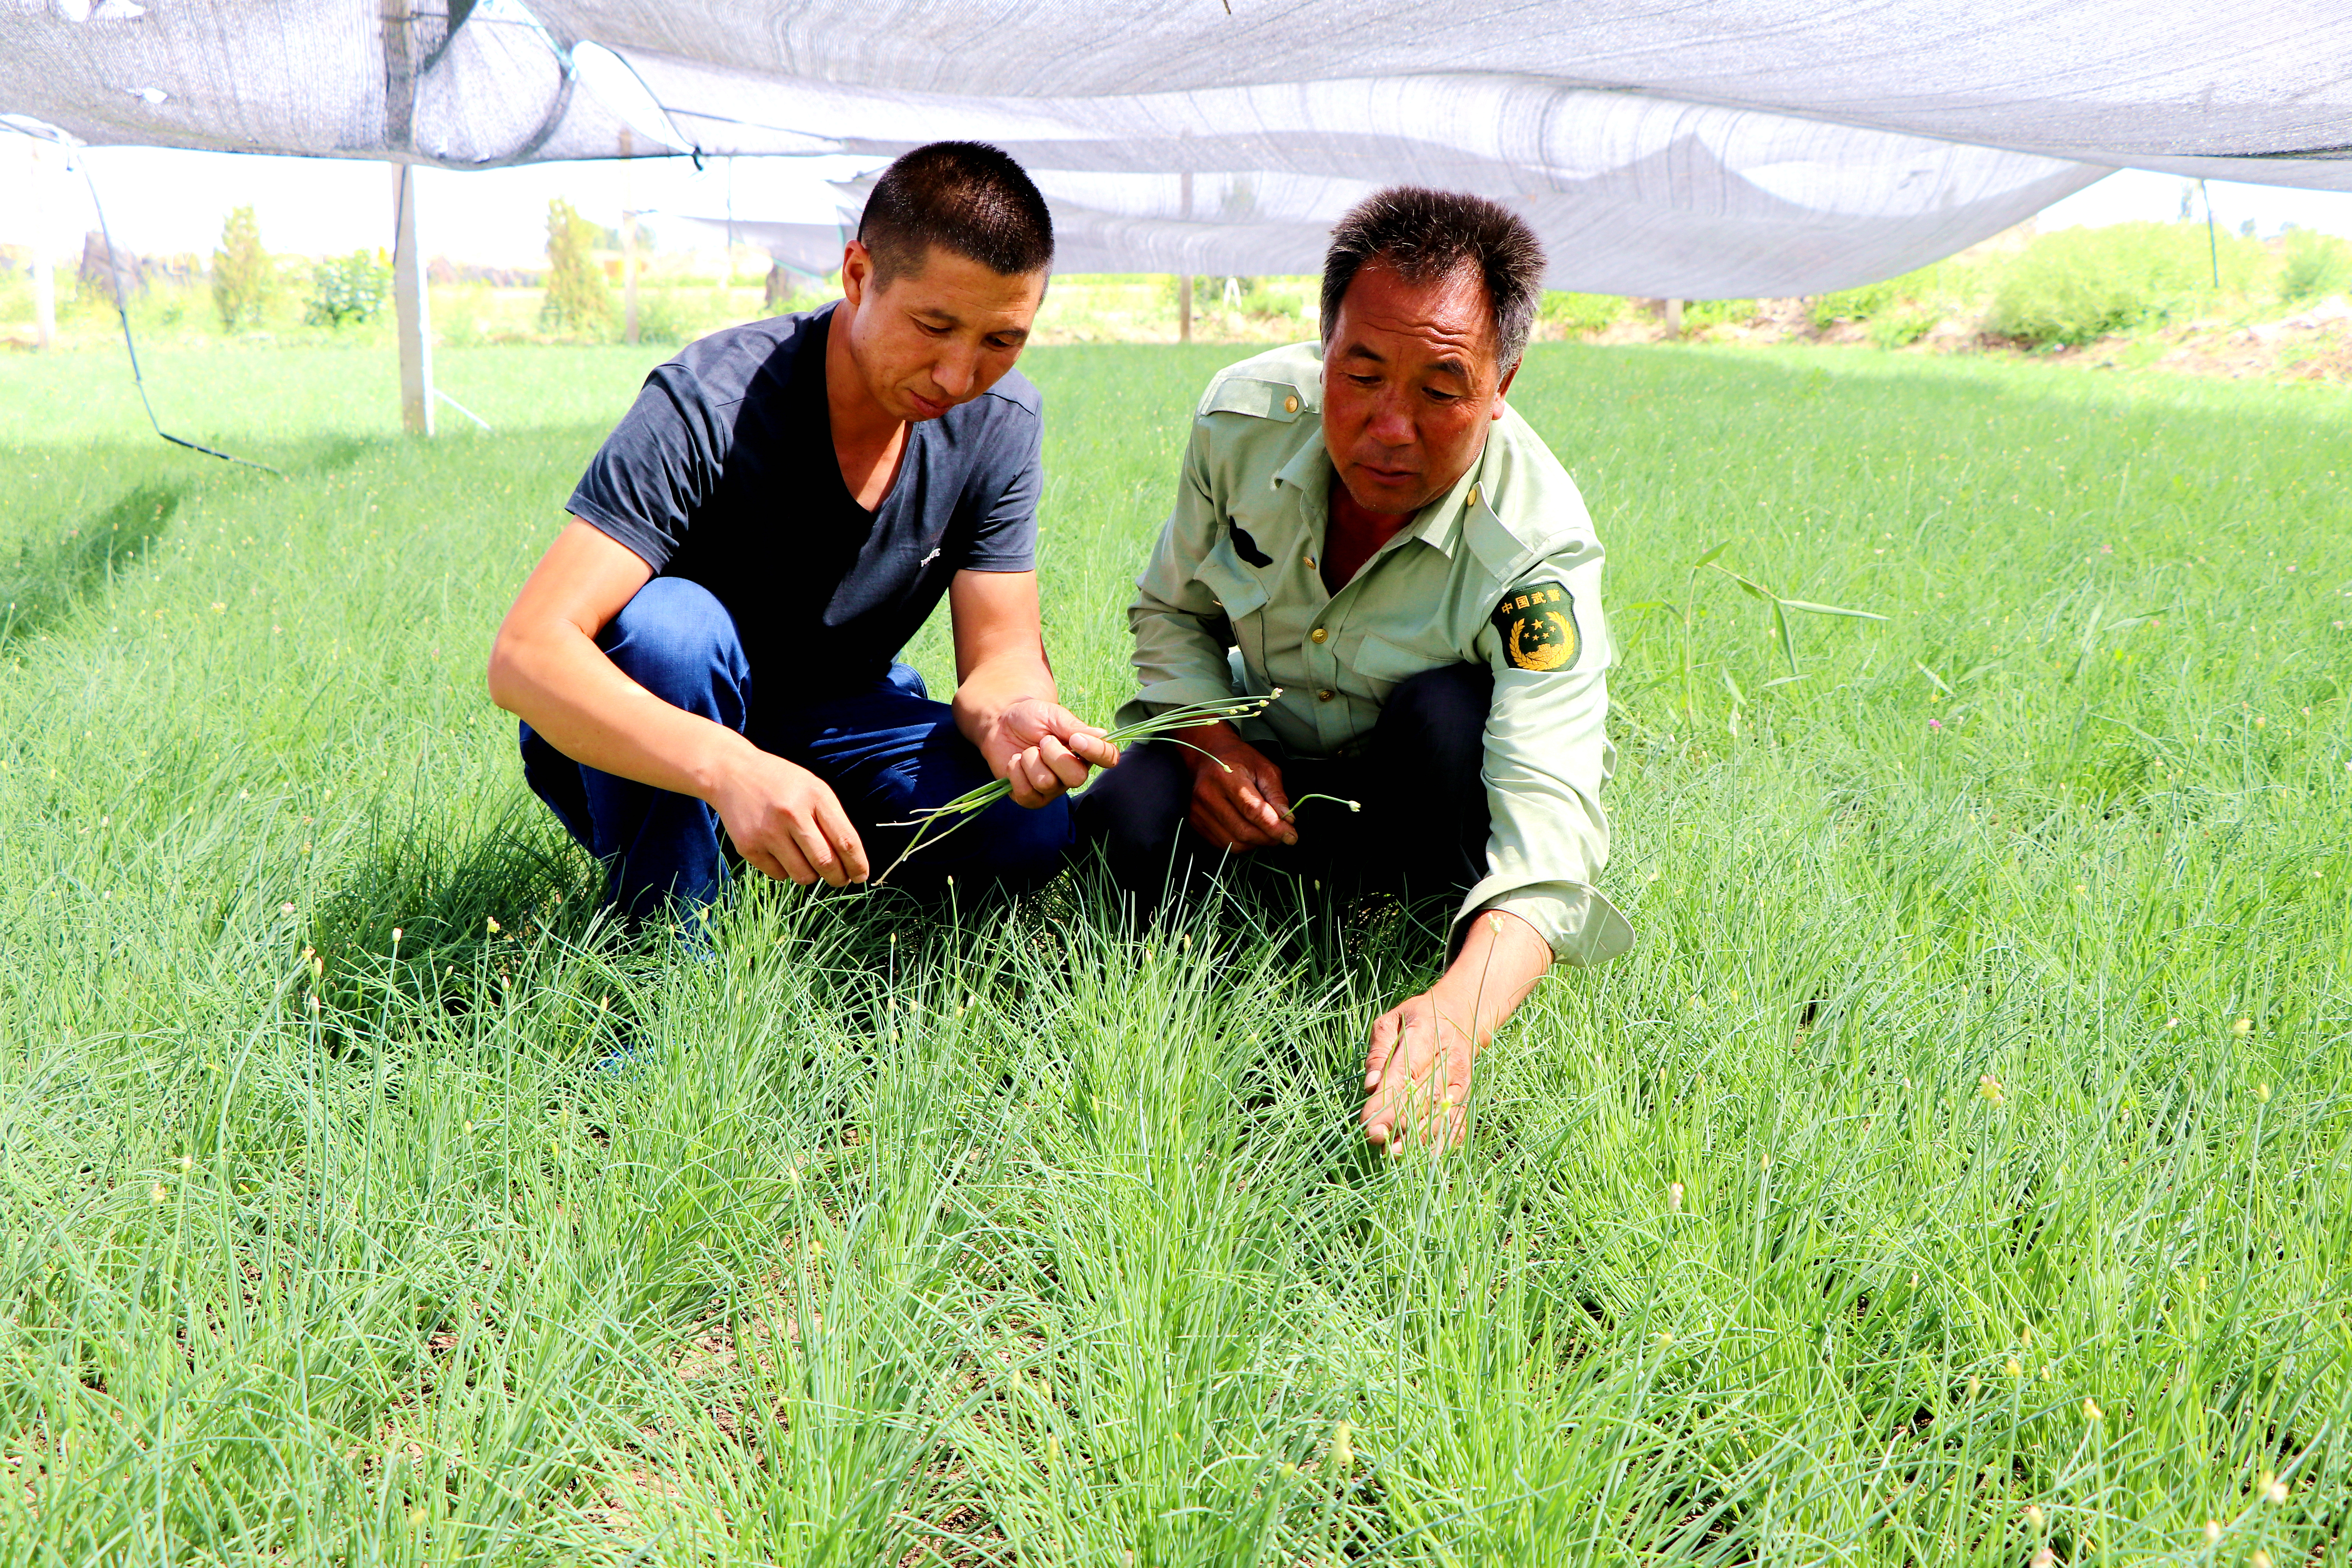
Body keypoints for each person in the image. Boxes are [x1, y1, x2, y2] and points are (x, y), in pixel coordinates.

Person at [1076, 187, 1633, 1150]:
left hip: (1415, 790)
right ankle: (1269, 893)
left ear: (1503, 382)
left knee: (1451, 713)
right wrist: (1210, 744)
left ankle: (1419, 920)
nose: (1389, 426)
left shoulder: (1537, 549)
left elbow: (1551, 835)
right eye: (1363, 373)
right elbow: (1173, 613)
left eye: (1441, 387)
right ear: (1323, 346)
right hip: (1269, 774)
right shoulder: (1241, 424)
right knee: (1126, 813)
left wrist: (1459, 1015)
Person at [488, 142, 1116, 923]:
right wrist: (728, 767)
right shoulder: (709, 400)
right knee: (669, 630)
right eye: (933, 325)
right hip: (667, 725)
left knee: (1024, 822)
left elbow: (1002, 651)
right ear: (858, 274)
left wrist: (1010, 713)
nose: (959, 378)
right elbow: (526, 656)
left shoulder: (998, 424)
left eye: (1001, 341)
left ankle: (774, 870)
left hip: (840, 717)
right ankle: (663, 953)